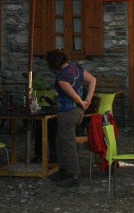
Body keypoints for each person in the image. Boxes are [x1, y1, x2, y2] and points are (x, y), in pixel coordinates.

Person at [45, 49, 96, 187]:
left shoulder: (61, 78)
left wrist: (83, 102)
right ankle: (63, 169)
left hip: (69, 112)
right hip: (78, 112)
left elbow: (72, 95)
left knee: (67, 143)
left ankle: (73, 174)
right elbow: (92, 80)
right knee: (60, 141)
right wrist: (88, 99)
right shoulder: (76, 68)